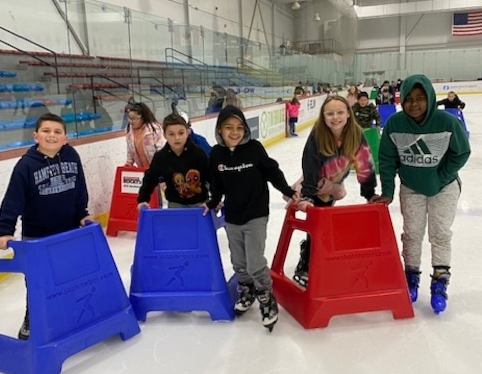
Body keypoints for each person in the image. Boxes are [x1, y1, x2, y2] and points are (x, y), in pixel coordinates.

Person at [371, 74, 471, 314]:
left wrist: (441, 177)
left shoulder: (447, 122)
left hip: (444, 188)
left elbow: (462, 152)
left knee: (440, 233)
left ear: (430, 98)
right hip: (411, 187)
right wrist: (387, 190)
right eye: (409, 99)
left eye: (420, 98)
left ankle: (440, 279)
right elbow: (386, 159)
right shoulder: (395, 124)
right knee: (412, 234)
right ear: (402, 100)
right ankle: (411, 276)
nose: (414, 104)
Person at [0, 113, 91, 340]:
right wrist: (5, 230)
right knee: (37, 282)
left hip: (68, 232)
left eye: (57, 132)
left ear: (65, 138)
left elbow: (80, 188)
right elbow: (12, 200)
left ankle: (68, 312)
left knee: (68, 276)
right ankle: (33, 317)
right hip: (37, 237)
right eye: (46, 131)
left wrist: (82, 214)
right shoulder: (25, 165)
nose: (52, 135)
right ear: (35, 135)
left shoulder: (71, 155)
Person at [203, 105, 300, 331]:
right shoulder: (216, 154)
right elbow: (216, 184)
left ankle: (266, 296)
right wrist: (212, 201)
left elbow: (272, 171)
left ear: (245, 129)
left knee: (255, 262)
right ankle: (247, 290)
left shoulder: (254, 149)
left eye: (239, 127)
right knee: (239, 261)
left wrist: (285, 189)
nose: (234, 132)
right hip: (232, 216)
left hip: (256, 214)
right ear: (219, 130)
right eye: (228, 128)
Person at [291, 95, 377, 287]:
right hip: (316, 183)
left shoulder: (355, 134)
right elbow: (309, 164)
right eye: (330, 113)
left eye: (340, 112)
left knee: (324, 223)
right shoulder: (318, 134)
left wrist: (369, 193)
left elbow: (365, 165)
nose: (335, 117)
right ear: (323, 116)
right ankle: (307, 260)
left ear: (348, 114)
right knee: (318, 223)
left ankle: (314, 253)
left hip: (334, 184)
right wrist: (308, 194)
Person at [137, 113, 211, 209]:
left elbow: (212, 177)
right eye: (171, 134)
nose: (177, 138)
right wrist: (143, 199)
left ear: (187, 132)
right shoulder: (161, 157)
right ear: (165, 135)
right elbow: (150, 178)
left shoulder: (199, 153)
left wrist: (215, 200)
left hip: (200, 203)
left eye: (181, 133)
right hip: (176, 204)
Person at [124, 102, 165, 168]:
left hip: (157, 169)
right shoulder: (129, 131)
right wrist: (128, 164)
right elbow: (130, 152)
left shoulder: (154, 129)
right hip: (142, 171)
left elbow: (161, 150)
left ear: (142, 118)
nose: (131, 121)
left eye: (134, 119)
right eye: (129, 118)